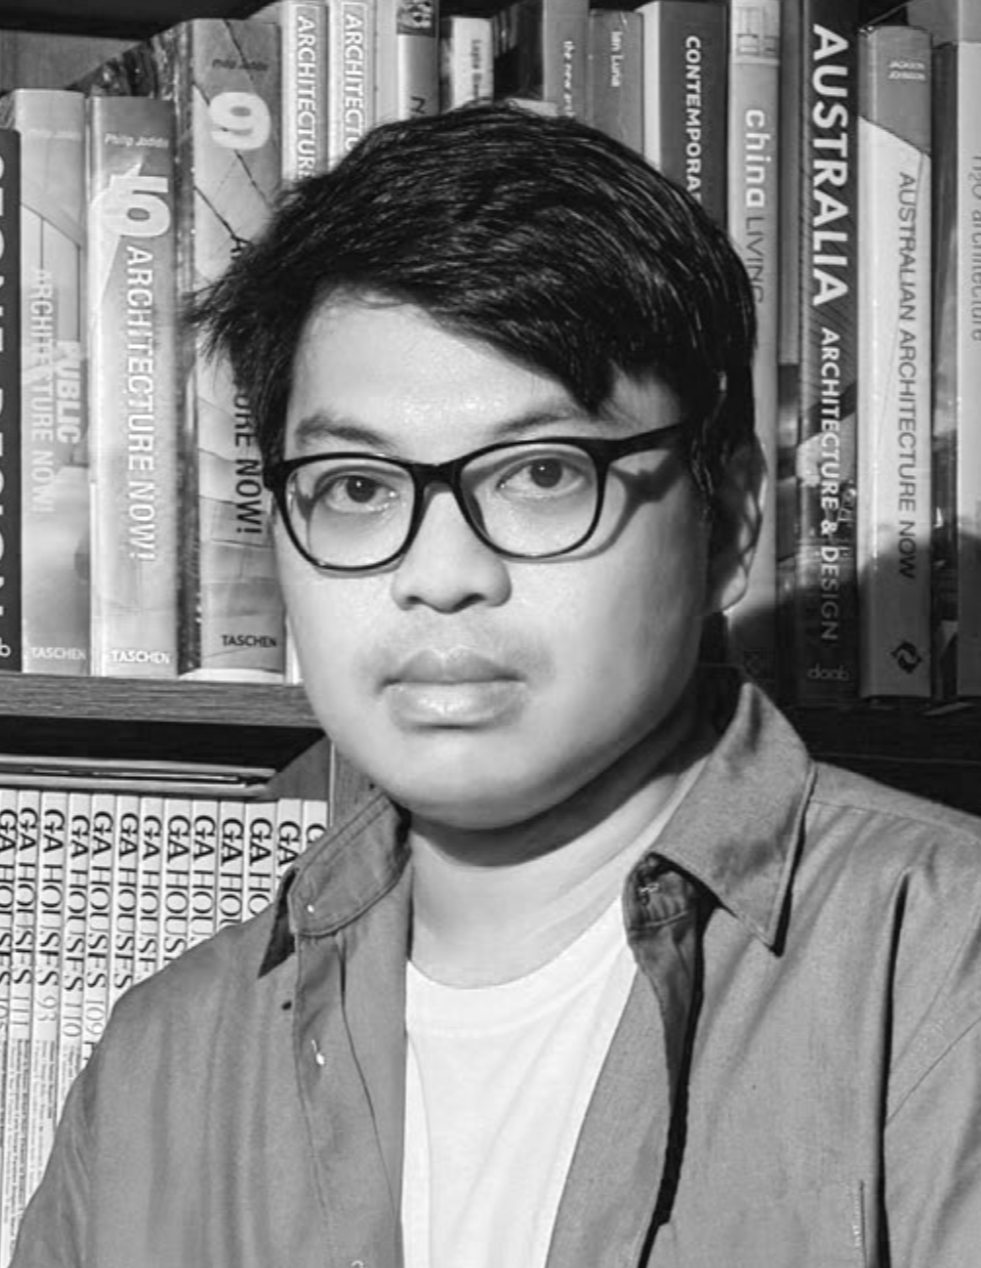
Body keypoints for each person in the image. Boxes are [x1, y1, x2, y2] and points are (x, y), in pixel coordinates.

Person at [13, 101, 981, 1268]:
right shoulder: (160, 1063)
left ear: (727, 520)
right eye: (359, 486)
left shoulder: (937, 965)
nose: (442, 573)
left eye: (538, 471)